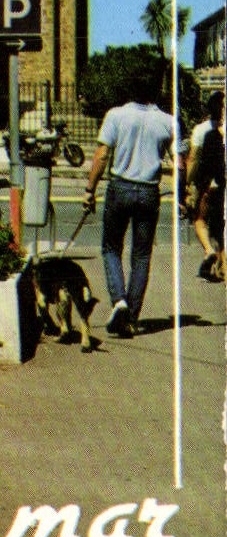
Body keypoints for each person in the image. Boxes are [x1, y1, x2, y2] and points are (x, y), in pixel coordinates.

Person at [82, 67, 188, 336]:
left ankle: (119, 300)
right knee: (141, 255)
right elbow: (181, 163)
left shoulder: (116, 115)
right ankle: (131, 314)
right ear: (155, 93)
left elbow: (102, 154)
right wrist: (182, 193)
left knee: (111, 247)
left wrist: (89, 189)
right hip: (149, 191)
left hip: (120, 187)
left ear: (130, 91)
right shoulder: (167, 121)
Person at [185, 91, 224, 280]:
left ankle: (209, 251)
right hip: (223, 183)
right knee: (220, 226)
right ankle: (220, 262)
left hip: (207, 184)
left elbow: (193, 159)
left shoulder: (200, 130)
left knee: (199, 218)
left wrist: (188, 182)